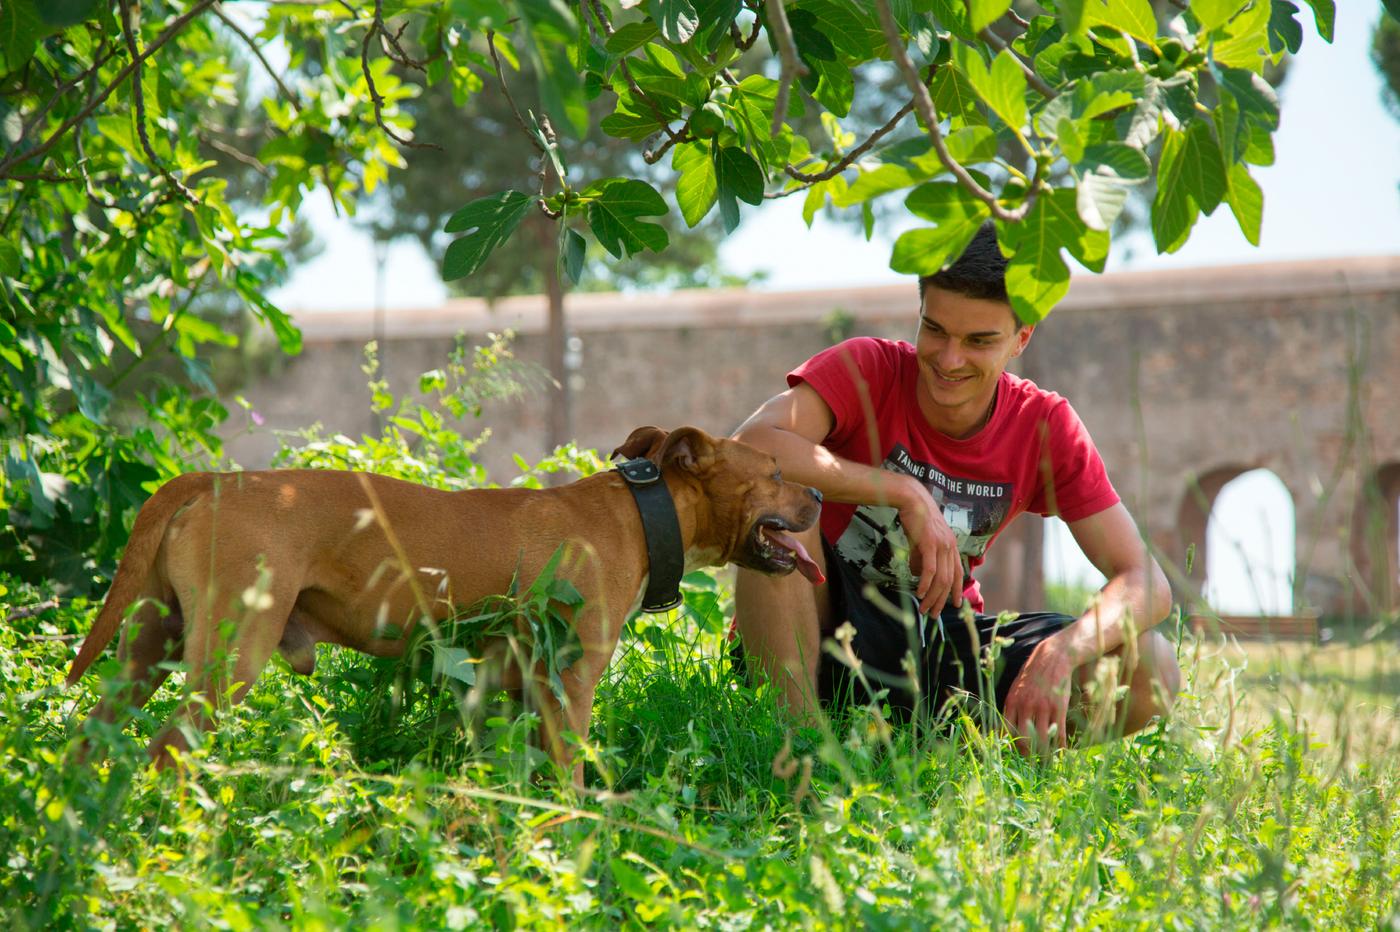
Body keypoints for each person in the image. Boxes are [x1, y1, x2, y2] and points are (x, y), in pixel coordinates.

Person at [731, 223, 1180, 752]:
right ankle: (797, 750)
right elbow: (749, 447)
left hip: (939, 637)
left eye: (979, 341)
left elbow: (1145, 581)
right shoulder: (868, 367)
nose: (948, 359)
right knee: (773, 515)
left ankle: (958, 762)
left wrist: (1063, 650)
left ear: (1021, 338)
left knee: (1151, 665)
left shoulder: (1044, 425)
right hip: (821, 625)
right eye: (935, 330)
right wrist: (902, 491)